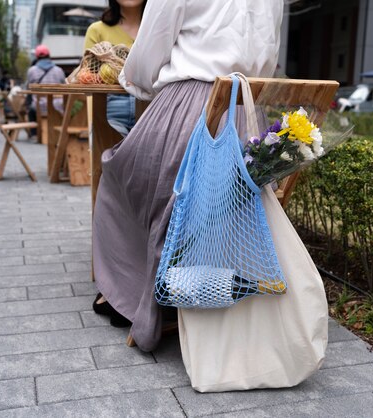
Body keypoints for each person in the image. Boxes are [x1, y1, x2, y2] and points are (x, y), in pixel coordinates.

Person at [91, 0, 283, 351]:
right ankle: (175, 284)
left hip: (190, 107)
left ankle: (136, 293)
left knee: (117, 172)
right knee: (201, 193)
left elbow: (148, 54)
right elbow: (269, 57)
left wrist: (135, 80)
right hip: (247, 119)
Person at [84, 0, 146, 136]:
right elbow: (87, 75)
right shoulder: (97, 30)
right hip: (110, 109)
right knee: (110, 155)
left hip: (153, 109)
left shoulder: (159, 28)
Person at [25, 45, 66, 136]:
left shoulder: (32, 70)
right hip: (57, 107)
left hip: (39, 107)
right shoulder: (59, 70)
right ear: (49, 56)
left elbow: (28, 88)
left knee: (31, 108)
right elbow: (65, 87)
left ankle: (34, 134)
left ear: (37, 57)